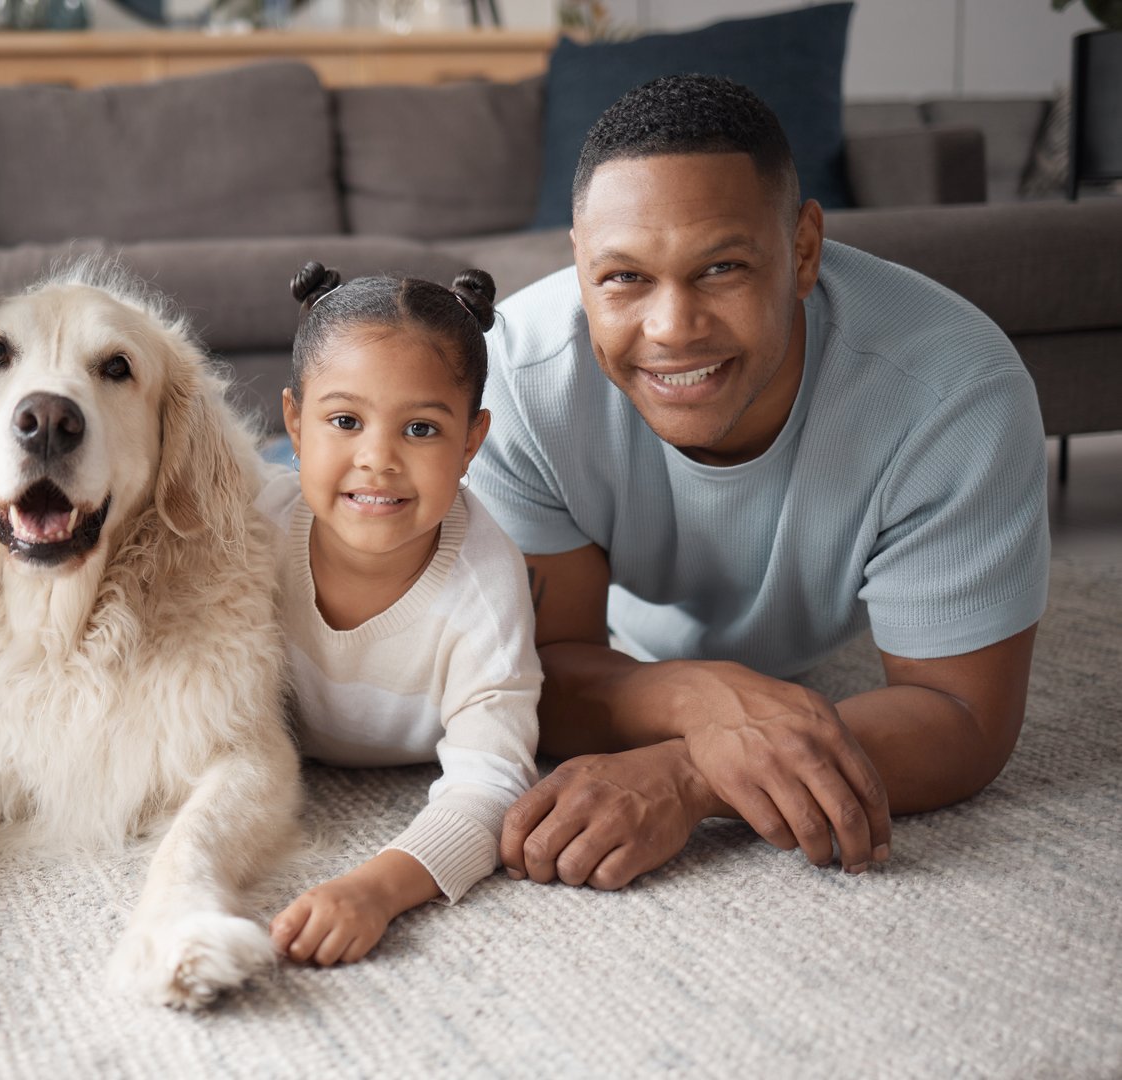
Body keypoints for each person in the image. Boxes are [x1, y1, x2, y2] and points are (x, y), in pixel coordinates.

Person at [475, 74, 1049, 892]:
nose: (671, 329)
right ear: (577, 261)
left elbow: (961, 717)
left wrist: (693, 773)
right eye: (623, 277)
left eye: (720, 267)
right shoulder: (516, 381)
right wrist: (700, 699)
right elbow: (541, 671)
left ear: (803, 249)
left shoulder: (956, 391)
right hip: (637, 635)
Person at [263, 262, 543, 966]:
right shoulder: (251, 526)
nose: (377, 459)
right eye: (344, 421)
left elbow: (492, 783)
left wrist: (376, 889)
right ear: (296, 421)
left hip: (409, 750)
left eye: (420, 428)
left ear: (471, 442)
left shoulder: (484, 583)